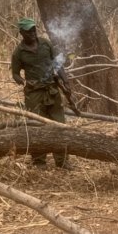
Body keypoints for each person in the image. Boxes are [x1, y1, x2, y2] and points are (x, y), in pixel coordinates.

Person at [11, 17, 73, 170]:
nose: (32, 33)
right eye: (28, 31)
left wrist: (66, 82)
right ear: (21, 33)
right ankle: (39, 162)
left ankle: (62, 161)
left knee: (59, 125)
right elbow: (15, 74)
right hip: (33, 95)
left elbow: (58, 64)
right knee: (37, 127)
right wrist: (25, 82)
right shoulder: (18, 52)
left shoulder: (45, 43)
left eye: (33, 29)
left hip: (52, 90)